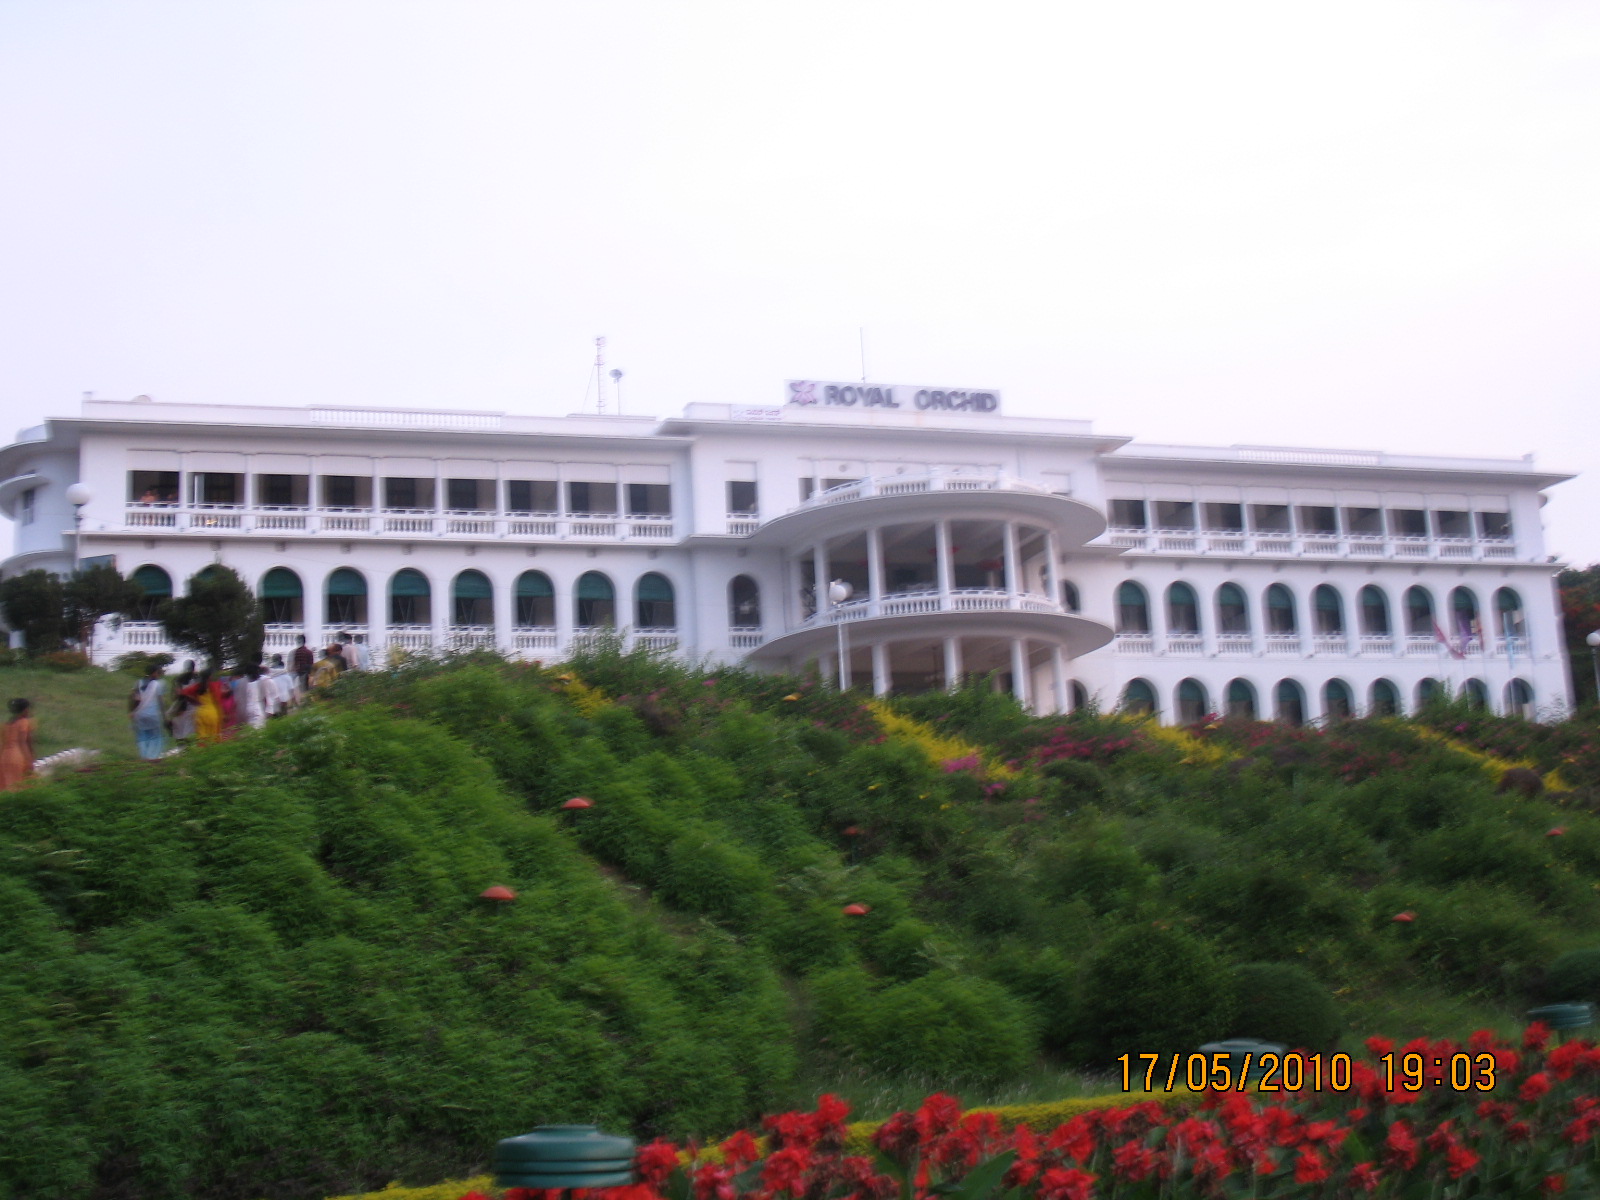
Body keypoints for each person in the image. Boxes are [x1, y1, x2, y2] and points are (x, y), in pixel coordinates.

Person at [129, 663, 168, 760]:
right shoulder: (158, 684)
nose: (158, 674)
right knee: (155, 737)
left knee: (142, 735)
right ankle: (152, 757)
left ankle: (144, 756)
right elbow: (161, 702)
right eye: (158, 672)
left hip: (139, 715)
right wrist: (165, 717)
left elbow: (135, 699)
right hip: (153, 716)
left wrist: (132, 712)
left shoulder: (138, 683)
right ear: (154, 673)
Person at [1, 699, 35, 791]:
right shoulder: (24, 722)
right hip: (18, 757)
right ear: (25, 710)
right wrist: (29, 760)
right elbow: (23, 742)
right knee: (20, 786)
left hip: (4, 757)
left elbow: (3, 743)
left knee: (5, 787)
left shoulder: (6, 724)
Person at [192, 670, 224, 745]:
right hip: (211, 712)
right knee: (213, 738)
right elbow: (217, 700)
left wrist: (196, 702)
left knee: (202, 738)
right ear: (210, 677)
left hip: (200, 713)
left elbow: (185, 693)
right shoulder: (213, 686)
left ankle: (202, 753)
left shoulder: (197, 686)